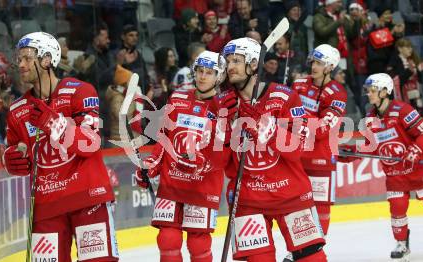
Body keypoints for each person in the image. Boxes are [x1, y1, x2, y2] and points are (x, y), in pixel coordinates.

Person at [2, 32, 118, 261]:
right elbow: (17, 150)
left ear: (46, 59)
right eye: (19, 58)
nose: (21, 64)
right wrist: (10, 159)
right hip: (46, 206)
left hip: (87, 198)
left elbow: (91, 143)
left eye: (26, 58)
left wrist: (53, 123)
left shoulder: (80, 91)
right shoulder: (17, 110)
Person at [214, 37, 326, 261]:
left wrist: (266, 128)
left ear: (254, 64)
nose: (230, 66)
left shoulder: (283, 96)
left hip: (291, 194)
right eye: (227, 61)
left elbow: (299, 146)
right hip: (248, 199)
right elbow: (217, 161)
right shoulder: (222, 104)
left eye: (236, 60)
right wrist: (223, 127)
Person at [135, 50, 229, 261]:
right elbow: (164, 137)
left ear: (219, 76)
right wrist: (151, 164)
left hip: (202, 185)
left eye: (209, 72)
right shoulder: (177, 97)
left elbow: (224, 151)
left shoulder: (224, 106)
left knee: (199, 243)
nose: (203, 76)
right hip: (172, 181)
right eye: (200, 71)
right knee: (167, 239)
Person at [340, 73, 423, 261]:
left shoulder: (402, 110)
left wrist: (415, 151)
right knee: (397, 207)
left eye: (372, 90)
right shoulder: (370, 117)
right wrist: (348, 152)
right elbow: (369, 146)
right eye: (368, 91)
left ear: (385, 91)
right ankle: (402, 244)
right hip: (394, 174)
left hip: (418, 169)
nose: (369, 94)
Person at [291, 44, 347, 238]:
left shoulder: (337, 93)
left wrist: (297, 121)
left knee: (321, 206)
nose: (313, 66)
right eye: (313, 61)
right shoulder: (298, 84)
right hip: (296, 155)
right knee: (297, 205)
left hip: (321, 157)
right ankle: (300, 246)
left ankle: (317, 248)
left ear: (330, 67)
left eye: (319, 63)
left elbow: (323, 129)